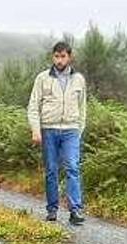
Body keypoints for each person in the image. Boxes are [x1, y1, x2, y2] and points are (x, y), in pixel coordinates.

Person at [27, 41, 88, 225]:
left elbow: (82, 107)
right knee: (51, 170)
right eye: (56, 56)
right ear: (52, 57)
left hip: (71, 130)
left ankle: (75, 210)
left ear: (69, 57)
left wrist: (79, 130)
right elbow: (33, 106)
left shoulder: (79, 80)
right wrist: (36, 130)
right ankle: (52, 209)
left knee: (72, 167)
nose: (59, 60)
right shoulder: (42, 78)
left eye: (63, 56)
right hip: (49, 130)